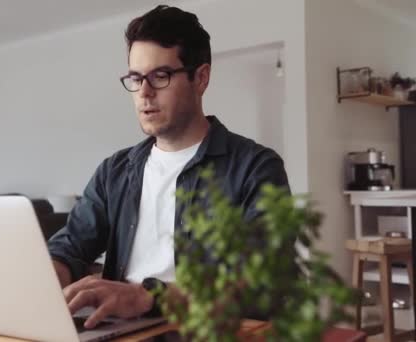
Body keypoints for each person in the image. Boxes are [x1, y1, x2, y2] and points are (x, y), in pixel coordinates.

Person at [47, 5, 289, 329]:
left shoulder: (256, 168)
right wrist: (46, 276)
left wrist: (149, 298)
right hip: (121, 329)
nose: (144, 93)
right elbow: (70, 248)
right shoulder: (113, 172)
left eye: (160, 76)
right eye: (135, 78)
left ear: (200, 78)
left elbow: (262, 285)